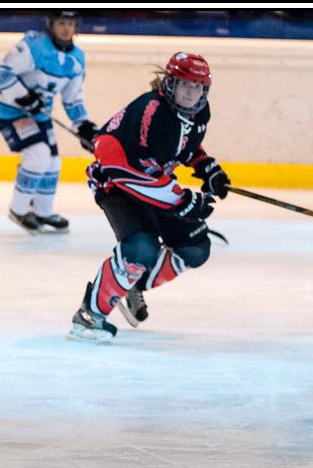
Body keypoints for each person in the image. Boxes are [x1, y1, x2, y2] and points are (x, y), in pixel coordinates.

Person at [69, 52, 230, 342]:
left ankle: (130, 285)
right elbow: (121, 169)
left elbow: (184, 145)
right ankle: (90, 314)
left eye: (198, 86)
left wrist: (206, 167)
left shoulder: (197, 113)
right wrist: (181, 200)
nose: (192, 92)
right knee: (141, 250)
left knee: (195, 248)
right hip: (115, 186)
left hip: (154, 187)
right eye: (185, 84)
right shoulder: (150, 110)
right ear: (169, 83)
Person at [0, 10, 97, 235]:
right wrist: (24, 97)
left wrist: (84, 125)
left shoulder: (77, 58)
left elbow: (72, 99)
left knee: (53, 162)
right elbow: (2, 74)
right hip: (10, 111)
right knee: (38, 155)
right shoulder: (33, 46)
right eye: (61, 22)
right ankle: (19, 209)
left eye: (70, 23)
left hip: (39, 114)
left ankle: (42, 211)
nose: (66, 28)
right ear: (51, 24)